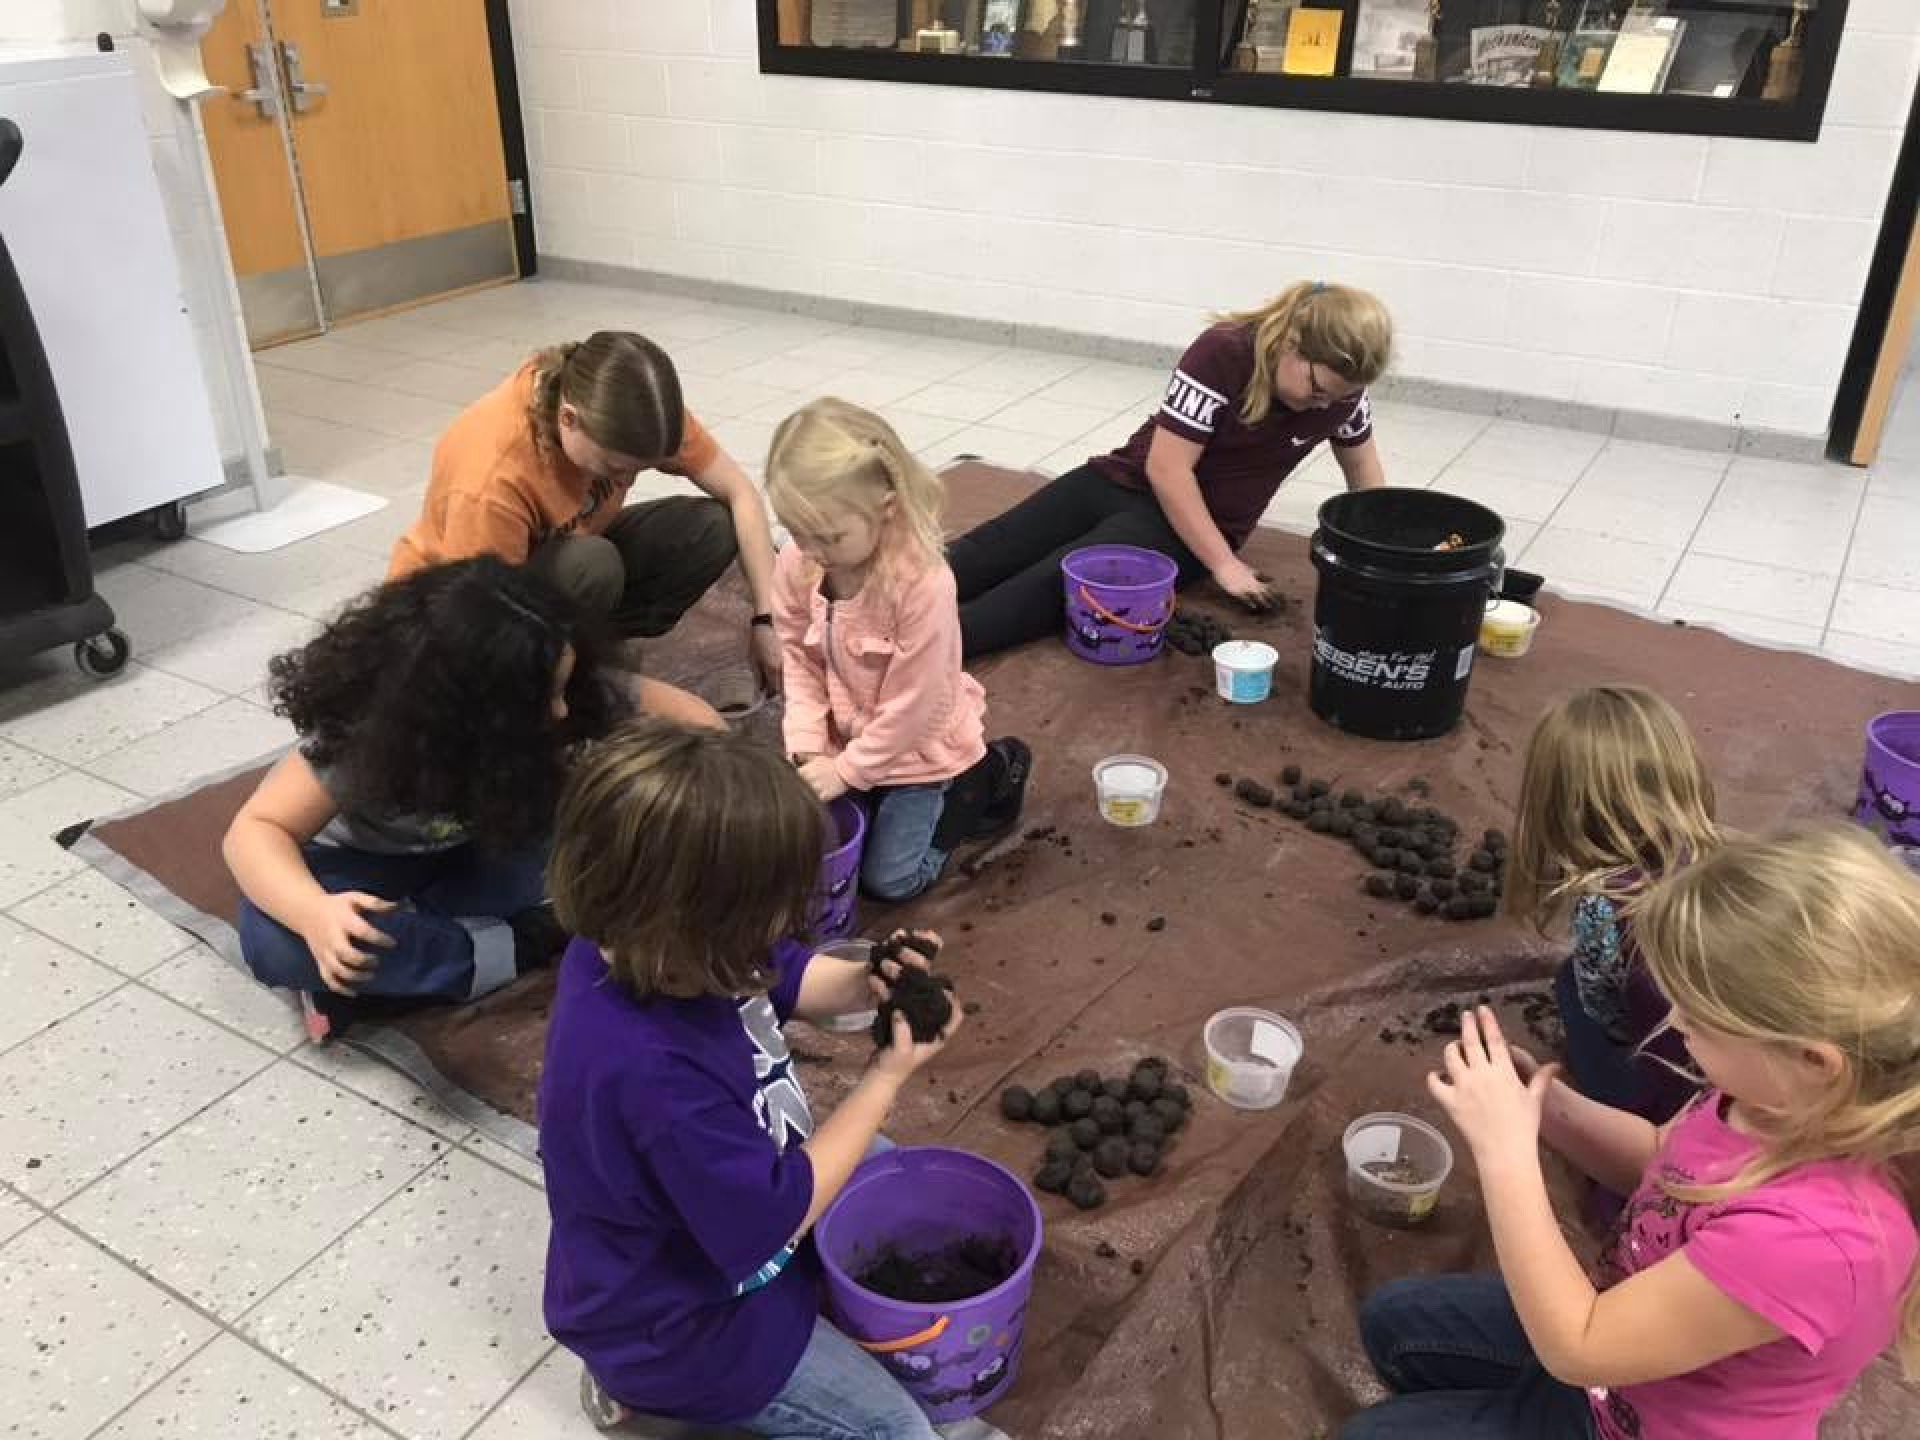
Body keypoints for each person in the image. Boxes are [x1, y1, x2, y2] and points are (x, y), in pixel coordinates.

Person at [1344, 823, 1920, 1440]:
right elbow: (1659, 1159)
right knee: (1394, 1325)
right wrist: (1546, 1108)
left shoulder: (1818, 1240)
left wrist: (1505, 1152)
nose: (1674, 1021)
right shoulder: (1767, 1097)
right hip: (1615, 1345)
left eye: (1698, 1014)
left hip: (1629, 1410)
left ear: (1813, 1060)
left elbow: (1579, 1342)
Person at [539, 720, 960, 1438]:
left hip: (726, 1210)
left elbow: (790, 976)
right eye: (769, 912)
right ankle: (646, 1398)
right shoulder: (649, 1073)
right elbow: (772, 1221)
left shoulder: (661, 945)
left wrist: (868, 982)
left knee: (888, 1171)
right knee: (905, 1433)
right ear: (697, 923)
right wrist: (884, 1078)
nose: (784, 930)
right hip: (686, 1328)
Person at [224, 558, 623, 1043]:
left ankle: (426, 961)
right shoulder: (361, 739)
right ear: (476, 707)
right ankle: (515, 944)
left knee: (600, 837)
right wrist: (315, 914)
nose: (561, 710)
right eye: (547, 696)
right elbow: (254, 831)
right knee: (277, 942)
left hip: (483, 853)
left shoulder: (546, 694)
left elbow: (676, 715)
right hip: (362, 864)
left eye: (564, 689)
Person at [948, 282, 1393, 657]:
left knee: (1038, 589)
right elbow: (1167, 469)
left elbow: (1365, 479)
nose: (1324, 404)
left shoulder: (1342, 397)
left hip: (1189, 527)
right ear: (1292, 344)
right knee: (982, 553)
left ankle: (913, 654)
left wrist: (1384, 565)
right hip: (1125, 479)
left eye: (1338, 396)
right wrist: (1226, 567)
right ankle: (881, 599)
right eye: (1318, 389)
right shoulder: (1225, 352)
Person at [389, 331, 785, 692]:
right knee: (592, 565)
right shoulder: (493, 478)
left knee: (710, 527)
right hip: (450, 608)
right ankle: (569, 673)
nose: (626, 479)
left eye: (640, 470)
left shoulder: (642, 411)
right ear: (569, 419)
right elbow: (480, 617)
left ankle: (589, 653)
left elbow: (741, 494)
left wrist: (768, 619)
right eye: (615, 469)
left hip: (553, 563)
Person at [767, 398, 1031, 900]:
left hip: (916, 749)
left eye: (828, 536)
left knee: (889, 882)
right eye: (794, 530)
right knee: (804, 848)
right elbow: (797, 657)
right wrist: (805, 743)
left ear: (884, 510)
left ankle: (982, 777)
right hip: (849, 739)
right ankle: (872, 787)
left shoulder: (922, 585)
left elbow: (913, 705)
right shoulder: (798, 560)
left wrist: (847, 772)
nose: (810, 549)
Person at [1507, 685, 1720, 1125]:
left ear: (1560, 807)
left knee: (1570, 980)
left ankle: (1622, 1108)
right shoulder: (1711, 855)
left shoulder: (1602, 903)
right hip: (1738, 1062)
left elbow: (1609, 1014)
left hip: (1675, 1088)